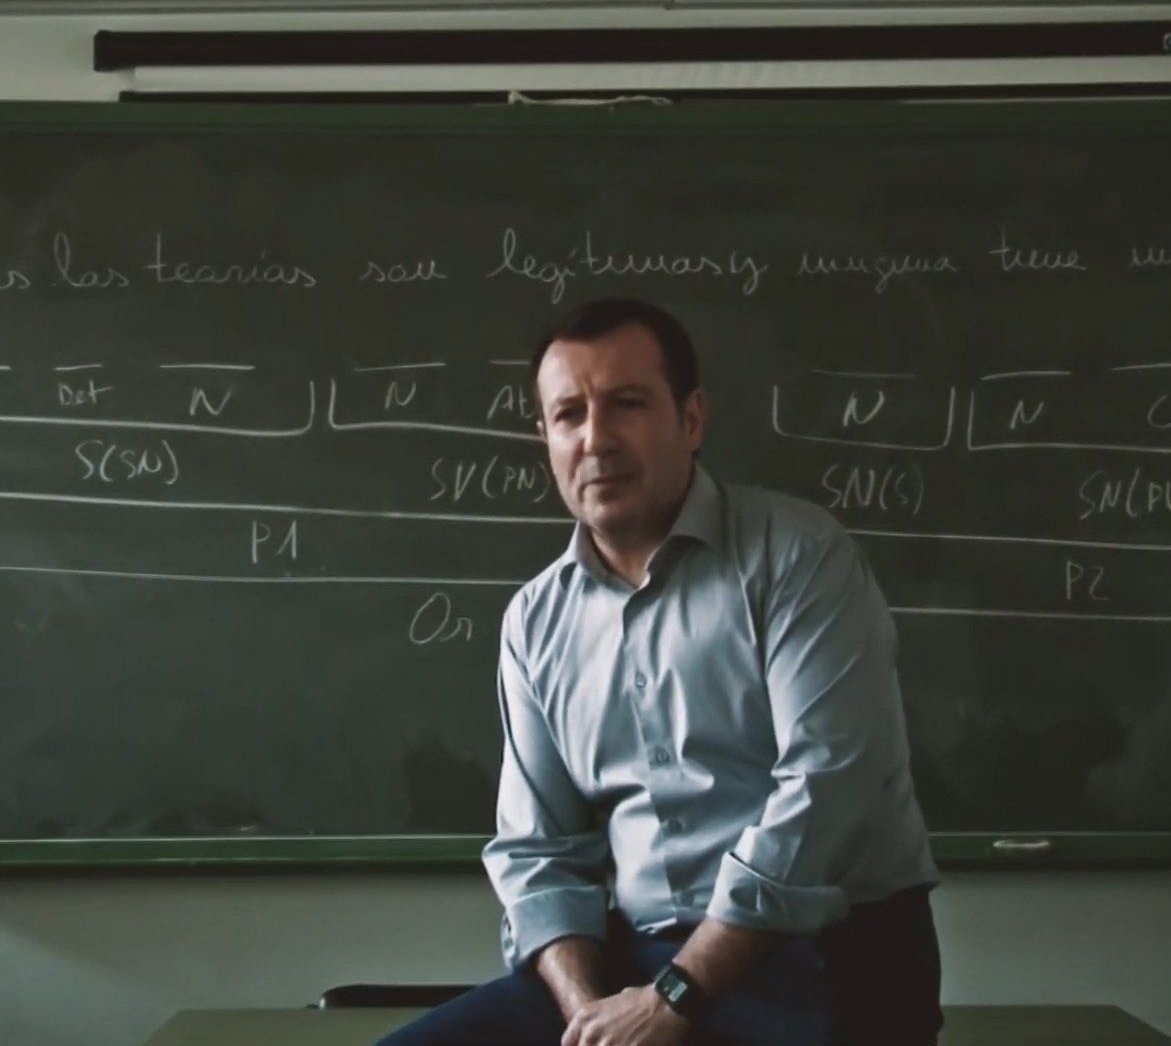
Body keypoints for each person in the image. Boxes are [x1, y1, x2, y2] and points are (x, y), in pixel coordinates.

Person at [381, 298, 941, 1046]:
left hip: (824, 957)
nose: (596, 438)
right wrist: (590, 1018)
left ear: (692, 418)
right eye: (569, 414)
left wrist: (675, 996)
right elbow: (539, 855)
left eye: (627, 404)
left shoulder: (798, 558)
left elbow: (827, 788)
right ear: (546, 437)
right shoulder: (535, 622)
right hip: (632, 966)